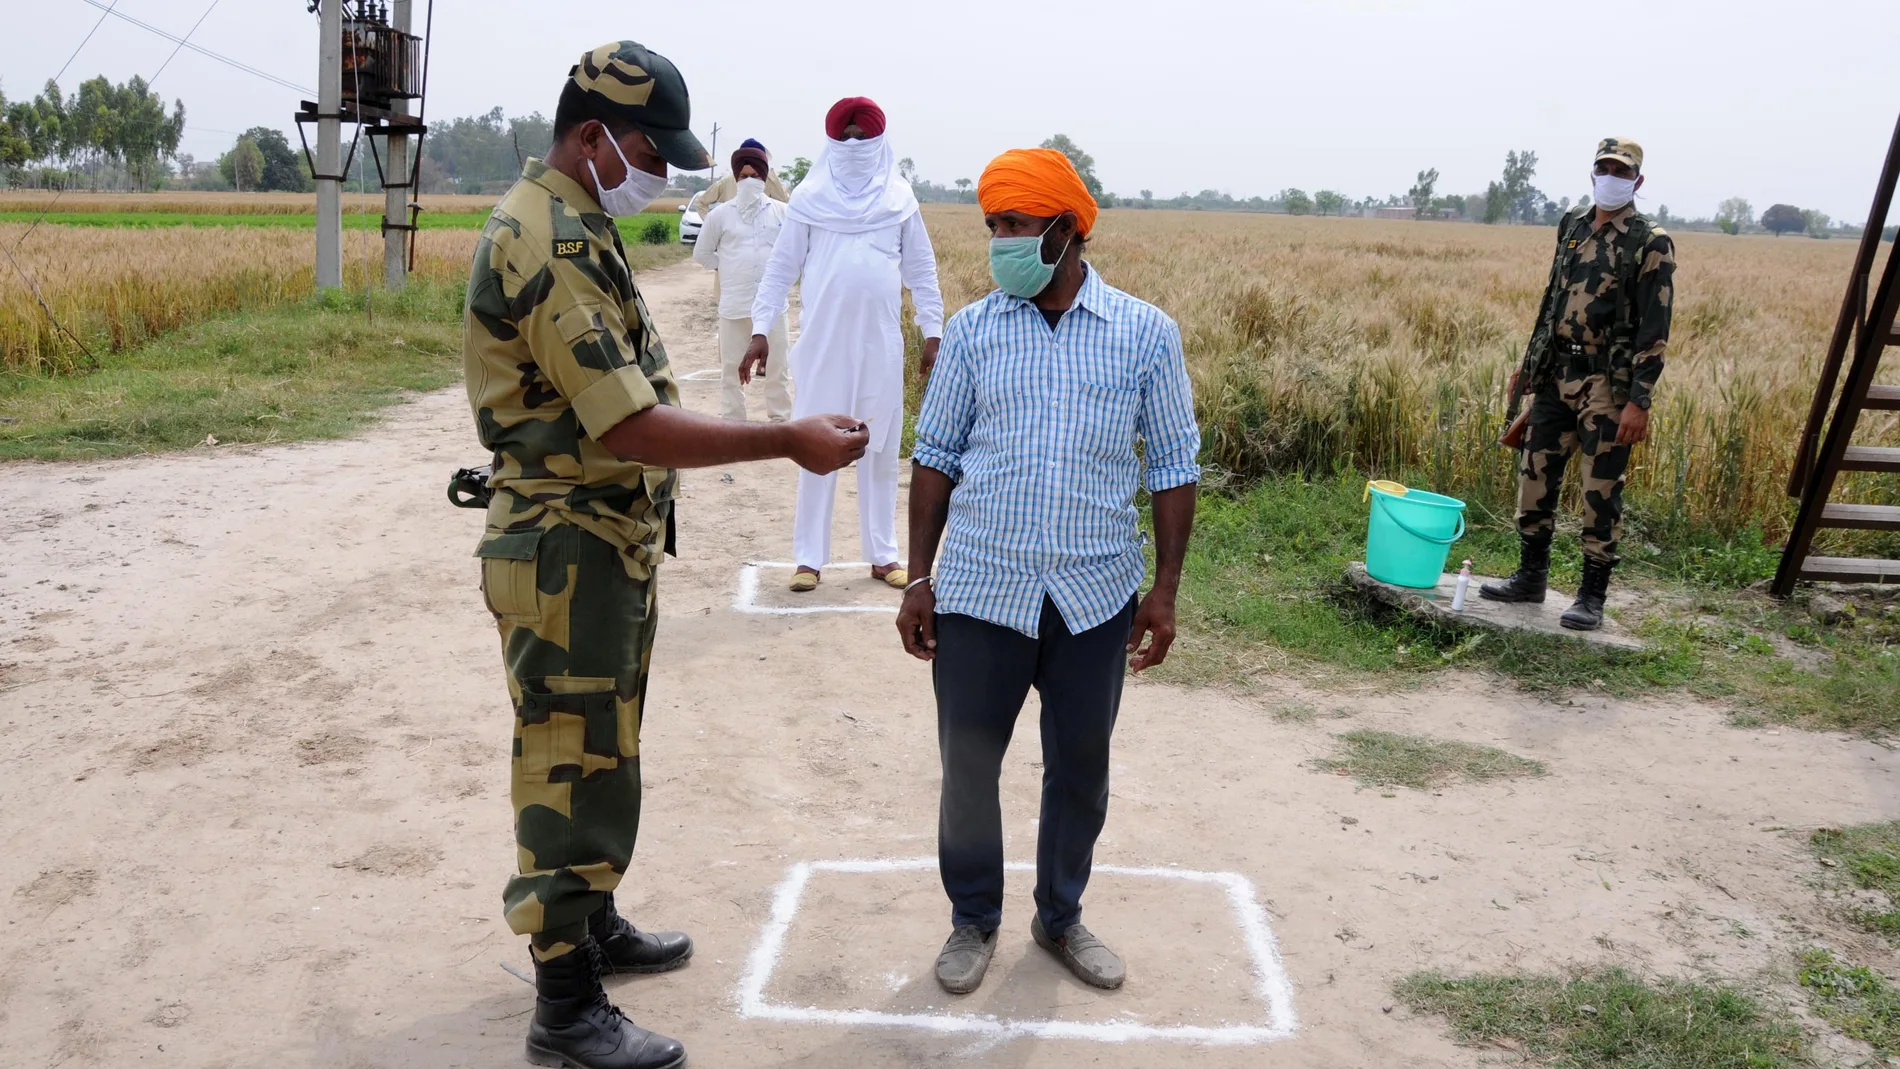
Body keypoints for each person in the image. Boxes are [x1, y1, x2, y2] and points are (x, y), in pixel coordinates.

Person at [463, 41, 869, 1069]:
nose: (659, 175)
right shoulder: (545, 240)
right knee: (568, 760)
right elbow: (631, 424)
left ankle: (591, 920)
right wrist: (782, 440)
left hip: (601, 543)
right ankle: (565, 1003)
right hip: (566, 546)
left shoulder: (578, 219)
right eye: (649, 153)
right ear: (593, 136)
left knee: (603, 748)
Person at [895, 148, 1201, 995]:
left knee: (1081, 769)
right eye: (992, 225)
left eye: (1016, 225)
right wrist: (918, 578)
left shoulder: (1145, 332)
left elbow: (1174, 463)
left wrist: (1165, 590)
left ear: (1066, 231)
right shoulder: (972, 332)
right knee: (968, 766)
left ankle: (1060, 916)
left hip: (1094, 594)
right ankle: (973, 917)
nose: (999, 241)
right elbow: (935, 455)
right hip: (982, 588)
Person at [744, 97, 945, 593]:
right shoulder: (808, 200)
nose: (854, 145)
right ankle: (809, 558)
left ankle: (883, 554)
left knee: (880, 448)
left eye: (863, 137)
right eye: (846, 136)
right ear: (833, 141)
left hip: (881, 346)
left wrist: (933, 332)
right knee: (816, 445)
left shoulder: (900, 200)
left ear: (879, 141)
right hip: (823, 346)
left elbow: (921, 270)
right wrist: (760, 329)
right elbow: (780, 270)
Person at [1482, 137, 1675, 630]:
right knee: (1534, 474)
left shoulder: (1650, 242)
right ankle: (1530, 577)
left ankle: (1592, 596)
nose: (1611, 176)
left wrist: (1640, 401)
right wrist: (1531, 363)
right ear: (1593, 173)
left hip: (1608, 383)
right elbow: (1553, 298)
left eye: (1622, 170)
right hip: (1557, 373)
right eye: (1604, 167)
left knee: (1600, 489)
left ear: (1638, 180)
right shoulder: (1572, 223)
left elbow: (1656, 328)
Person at [692, 145, 793, 421]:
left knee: (778, 368)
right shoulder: (720, 215)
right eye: (743, 176)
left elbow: (793, 253)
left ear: (764, 178)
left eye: (755, 176)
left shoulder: (783, 213)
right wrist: (726, 267)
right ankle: (733, 424)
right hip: (734, 305)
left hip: (773, 307)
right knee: (731, 370)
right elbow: (701, 254)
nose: (749, 181)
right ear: (735, 178)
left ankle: (780, 423)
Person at [695, 137, 791, 209]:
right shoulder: (726, 182)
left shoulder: (769, 180)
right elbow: (700, 203)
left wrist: (771, 176)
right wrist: (713, 224)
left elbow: (784, 200)